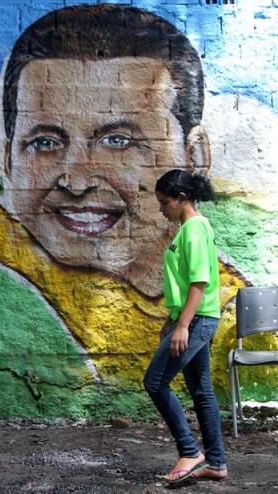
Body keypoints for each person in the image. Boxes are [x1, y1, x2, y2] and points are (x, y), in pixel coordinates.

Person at [0, 5, 246, 385]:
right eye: (45, 142)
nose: (76, 180)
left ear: (195, 155)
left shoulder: (232, 313)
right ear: (8, 160)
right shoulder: (54, 268)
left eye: (117, 140)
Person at [144, 169, 227, 483]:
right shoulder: (192, 227)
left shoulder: (193, 228)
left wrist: (183, 327)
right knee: (202, 392)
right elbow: (187, 283)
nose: (161, 209)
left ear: (181, 199)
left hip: (198, 321)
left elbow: (199, 281)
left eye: (165, 203)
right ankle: (216, 463)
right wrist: (174, 319)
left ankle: (190, 450)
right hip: (196, 318)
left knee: (154, 382)